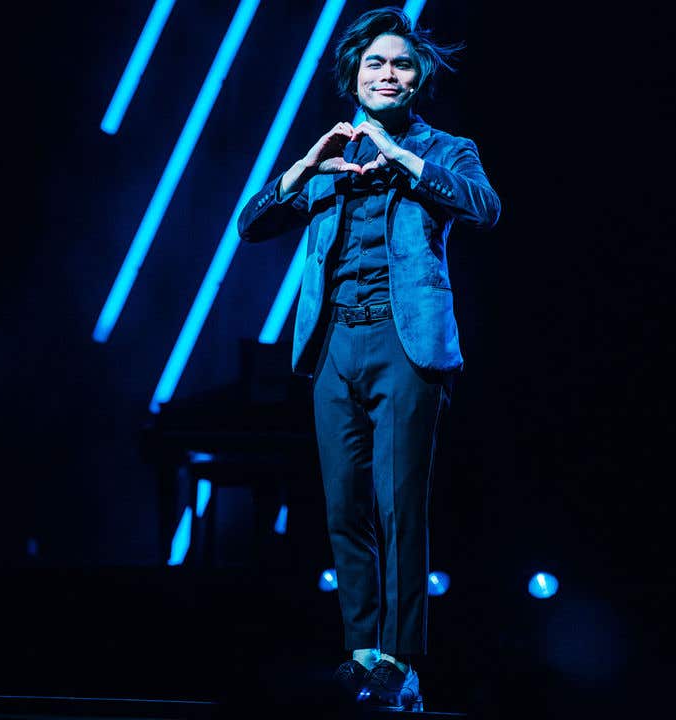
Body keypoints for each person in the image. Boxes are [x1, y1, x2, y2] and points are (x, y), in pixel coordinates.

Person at [238, 7, 500, 711]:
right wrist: (303, 166)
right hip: (332, 348)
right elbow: (253, 226)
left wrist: (408, 162)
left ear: (419, 80)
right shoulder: (329, 155)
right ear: (353, 74)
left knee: (397, 503)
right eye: (376, 63)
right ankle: (361, 653)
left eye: (403, 64)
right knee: (344, 505)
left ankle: (400, 661)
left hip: (404, 344)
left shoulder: (446, 149)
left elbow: (486, 208)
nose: (389, 73)